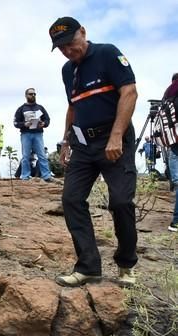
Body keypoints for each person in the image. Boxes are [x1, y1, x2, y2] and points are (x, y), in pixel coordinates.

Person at [50, 16, 138, 287]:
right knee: (71, 200)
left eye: (70, 43)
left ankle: (126, 264)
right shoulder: (68, 70)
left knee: (121, 202)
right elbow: (73, 106)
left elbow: (130, 93)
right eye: (61, 47)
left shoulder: (108, 53)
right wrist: (66, 141)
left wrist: (116, 136)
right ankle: (88, 266)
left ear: (83, 32)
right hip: (83, 146)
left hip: (114, 140)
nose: (67, 50)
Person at [13, 88, 56, 182]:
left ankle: (46, 175)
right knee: (26, 156)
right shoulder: (21, 109)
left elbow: (47, 119)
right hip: (26, 134)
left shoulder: (40, 108)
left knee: (42, 155)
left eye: (34, 94)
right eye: (30, 94)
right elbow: (15, 123)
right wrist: (24, 124)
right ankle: (25, 176)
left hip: (38, 134)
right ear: (26, 95)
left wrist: (44, 124)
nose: (33, 95)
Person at [164, 72, 178, 232]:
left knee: (177, 181)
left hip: (172, 141)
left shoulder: (168, 92)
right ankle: (176, 220)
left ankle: (176, 221)